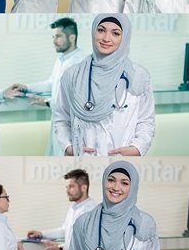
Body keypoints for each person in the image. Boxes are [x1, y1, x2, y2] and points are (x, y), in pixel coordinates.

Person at [55, 15, 155, 157]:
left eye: (115, 33)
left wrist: (137, 148)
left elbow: (146, 121)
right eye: (101, 30)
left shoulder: (138, 76)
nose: (106, 38)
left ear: (125, 37)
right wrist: (68, 147)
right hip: (83, 159)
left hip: (122, 159)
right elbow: (62, 118)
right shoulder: (72, 75)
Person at [67, 163, 160, 250]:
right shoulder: (84, 222)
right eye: (111, 180)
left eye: (124, 183)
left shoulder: (145, 223)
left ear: (133, 187)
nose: (116, 187)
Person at [14, 17, 85, 156]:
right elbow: (52, 83)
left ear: (72, 37)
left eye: (58, 36)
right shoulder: (61, 60)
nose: (54, 40)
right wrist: (27, 87)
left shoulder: (78, 63)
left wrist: (46, 102)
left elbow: (74, 100)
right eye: (53, 36)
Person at [27, 168, 96, 250]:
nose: (67, 191)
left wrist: (58, 247)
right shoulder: (74, 208)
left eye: (71, 186)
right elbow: (65, 230)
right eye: (66, 187)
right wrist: (42, 233)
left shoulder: (90, 211)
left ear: (84, 187)